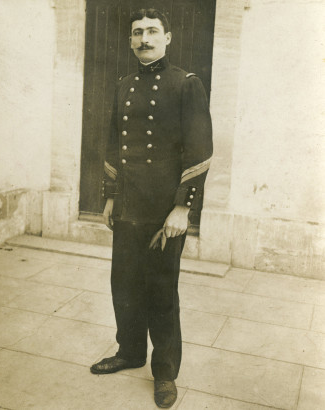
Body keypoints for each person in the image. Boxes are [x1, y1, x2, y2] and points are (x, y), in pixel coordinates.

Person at [90, 8, 213, 408]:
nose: (144, 38)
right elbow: (112, 145)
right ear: (130, 41)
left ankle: (164, 372)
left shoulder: (186, 84)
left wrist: (183, 210)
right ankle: (129, 351)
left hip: (164, 209)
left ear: (168, 37)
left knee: (161, 290)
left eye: (152, 31)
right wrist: (110, 196)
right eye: (137, 33)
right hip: (127, 203)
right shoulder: (123, 85)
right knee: (123, 284)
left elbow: (199, 150)